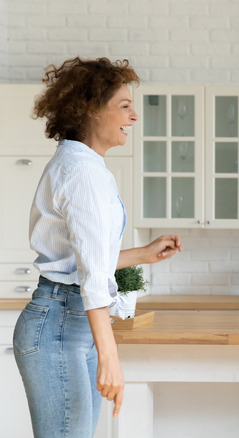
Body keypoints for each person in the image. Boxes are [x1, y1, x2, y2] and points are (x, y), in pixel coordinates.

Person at [13, 57, 183, 437]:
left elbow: (81, 260)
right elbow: (90, 276)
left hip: (69, 322)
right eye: (124, 105)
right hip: (60, 325)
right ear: (90, 110)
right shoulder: (82, 173)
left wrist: (142, 254)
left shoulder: (86, 166)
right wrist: (111, 358)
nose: (134, 116)